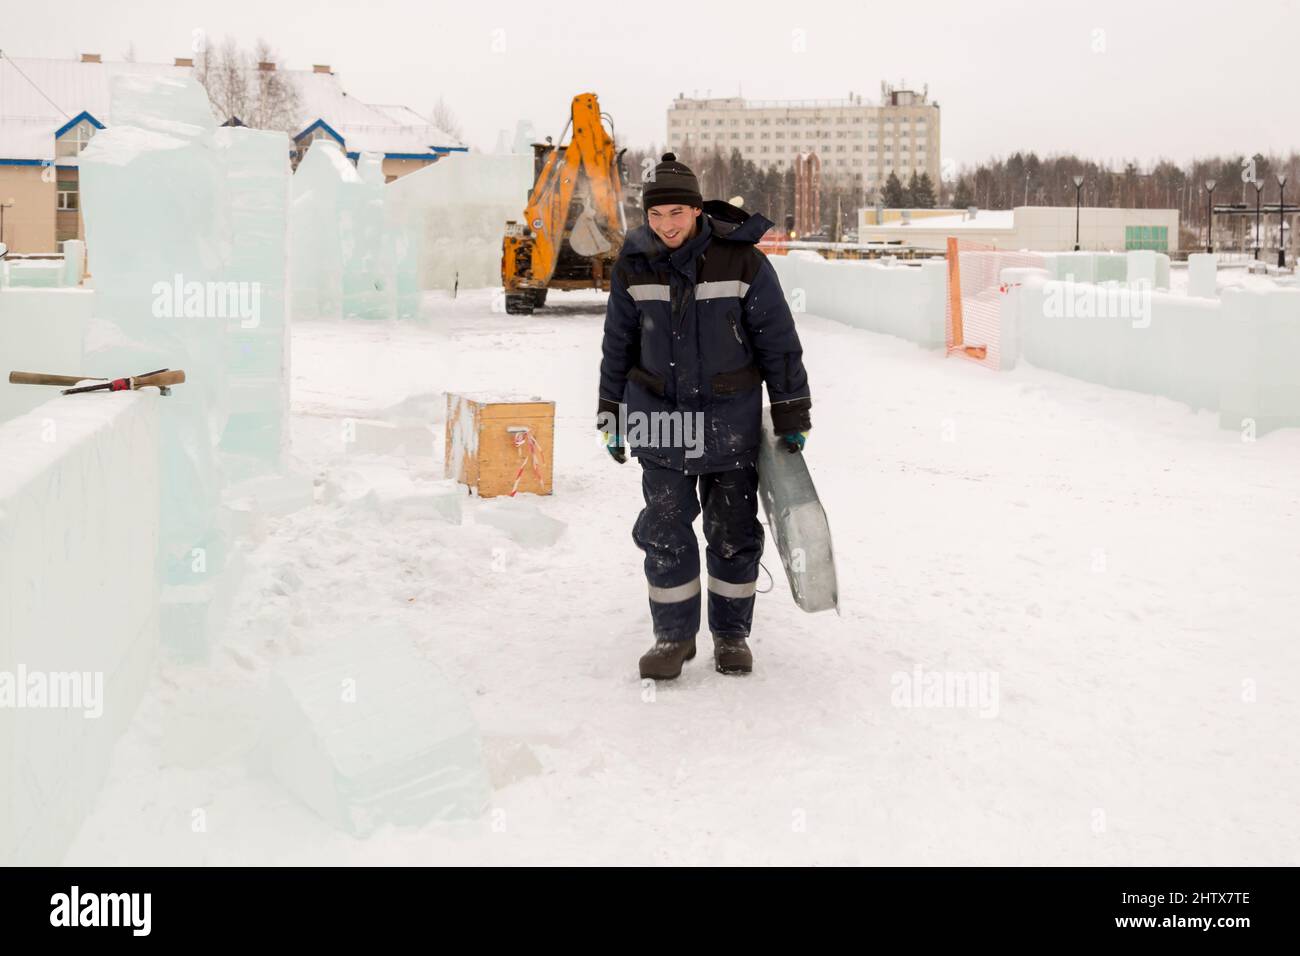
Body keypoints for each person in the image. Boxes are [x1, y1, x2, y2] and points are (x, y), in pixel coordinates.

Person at [596, 153, 812, 680]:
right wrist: (610, 414)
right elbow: (617, 346)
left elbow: (778, 343)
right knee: (664, 530)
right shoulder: (633, 266)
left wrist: (791, 412)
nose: (666, 225)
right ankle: (672, 637)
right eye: (655, 215)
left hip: (728, 420)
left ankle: (731, 635)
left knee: (733, 531)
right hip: (659, 421)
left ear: (695, 210)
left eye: (676, 212)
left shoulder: (743, 263)